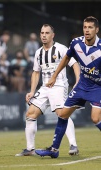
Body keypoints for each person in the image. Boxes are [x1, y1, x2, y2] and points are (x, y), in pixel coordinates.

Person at [35, 16, 101, 158]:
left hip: (97, 88)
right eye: (85, 27)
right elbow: (66, 58)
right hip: (82, 85)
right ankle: (53, 150)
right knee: (63, 114)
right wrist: (54, 76)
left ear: (97, 30)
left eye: (90, 27)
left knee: (95, 118)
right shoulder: (76, 43)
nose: (87, 30)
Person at [15, 24, 80, 157]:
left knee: (62, 114)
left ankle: (73, 145)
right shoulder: (38, 52)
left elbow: (74, 64)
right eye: (42, 33)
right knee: (30, 114)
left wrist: (78, 82)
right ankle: (30, 149)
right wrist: (32, 91)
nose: (44, 35)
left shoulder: (61, 49)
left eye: (47, 33)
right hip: (44, 87)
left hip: (59, 86)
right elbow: (35, 72)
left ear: (52, 35)